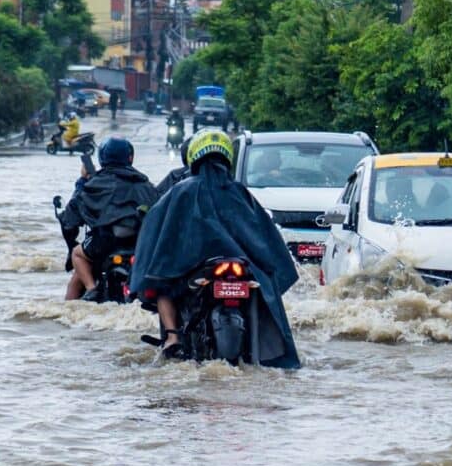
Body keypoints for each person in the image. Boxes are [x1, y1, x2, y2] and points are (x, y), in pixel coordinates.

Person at [129, 129, 299, 366]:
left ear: (194, 156)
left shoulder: (180, 190)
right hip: (242, 265)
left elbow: (155, 231)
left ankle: (172, 337)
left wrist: (156, 263)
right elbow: (265, 238)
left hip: (193, 269)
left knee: (162, 285)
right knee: (264, 287)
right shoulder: (239, 192)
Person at [61, 137, 158, 301]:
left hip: (104, 244)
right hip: (140, 247)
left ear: (101, 158)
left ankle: (92, 289)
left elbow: (71, 216)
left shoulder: (93, 183)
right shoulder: (145, 184)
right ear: (130, 157)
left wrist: (82, 181)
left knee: (77, 256)